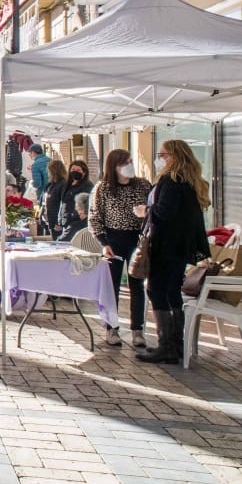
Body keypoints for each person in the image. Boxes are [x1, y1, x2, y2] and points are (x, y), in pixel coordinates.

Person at [136, 139, 211, 365]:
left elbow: (164, 213)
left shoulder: (172, 181)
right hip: (180, 247)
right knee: (171, 292)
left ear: (174, 157)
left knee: (157, 290)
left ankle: (167, 345)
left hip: (167, 246)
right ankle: (174, 345)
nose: (160, 160)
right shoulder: (189, 181)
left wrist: (145, 211)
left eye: (163, 155)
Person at [90, 149, 152, 349]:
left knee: (137, 285)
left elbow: (154, 209)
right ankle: (112, 327)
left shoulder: (143, 185)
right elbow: (95, 217)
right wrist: (103, 242)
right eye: (124, 163)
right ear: (114, 166)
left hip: (137, 239)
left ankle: (137, 330)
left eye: (131, 161)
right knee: (112, 286)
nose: (129, 165)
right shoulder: (103, 188)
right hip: (113, 239)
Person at [58, 160, 94, 241]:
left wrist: (82, 216)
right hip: (66, 221)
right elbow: (63, 203)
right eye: (73, 170)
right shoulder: (67, 185)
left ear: (84, 173)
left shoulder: (88, 186)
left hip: (77, 222)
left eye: (78, 170)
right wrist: (60, 220)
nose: (75, 172)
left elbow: (88, 203)